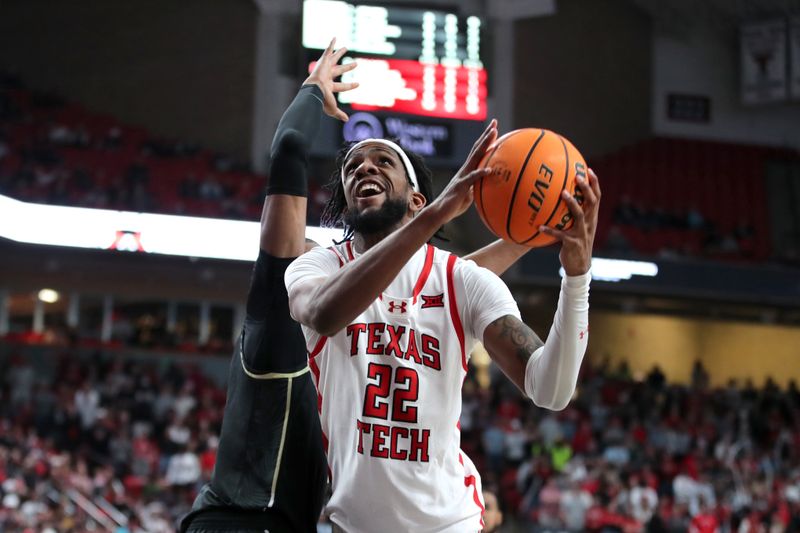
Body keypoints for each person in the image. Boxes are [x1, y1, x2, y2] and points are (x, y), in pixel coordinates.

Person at [181, 39, 529, 533]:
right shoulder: (288, 286)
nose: (324, 257)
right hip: (236, 521)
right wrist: (309, 93)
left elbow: (435, 285)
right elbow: (288, 151)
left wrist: (526, 238)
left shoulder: (345, 324)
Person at [285, 92, 600, 530]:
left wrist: (577, 278)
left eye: (382, 161)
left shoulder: (464, 281)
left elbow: (551, 391)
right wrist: (436, 218)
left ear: (416, 200)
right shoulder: (318, 264)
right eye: (352, 168)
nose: (364, 169)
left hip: (448, 522)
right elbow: (321, 314)